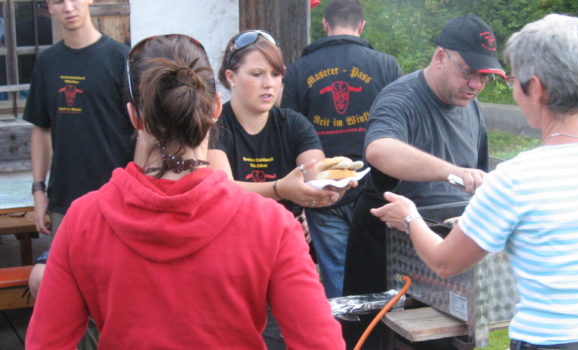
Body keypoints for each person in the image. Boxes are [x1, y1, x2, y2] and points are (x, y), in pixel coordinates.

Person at [25, 34, 345, 349]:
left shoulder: (83, 220)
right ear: (216, 108)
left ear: (133, 115)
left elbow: (45, 342)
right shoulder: (271, 225)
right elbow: (321, 343)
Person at [371, 14, 578, 350]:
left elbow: (444, 262)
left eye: (513, 81)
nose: (511, 90)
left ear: (536, 88)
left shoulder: (515, 178)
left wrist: (410, 217)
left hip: (549, 342)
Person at [341, 14, 504, 348]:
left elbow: (478, 177)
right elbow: (379, 150)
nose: (476, 84)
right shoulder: (401, 98)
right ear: (440, 57)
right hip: (388, 251)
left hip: (446, 251)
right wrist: (451, 171)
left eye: (484, 77)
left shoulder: (471, 108)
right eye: (468, 72)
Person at [24, 1, 133, 343]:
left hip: (117, 201)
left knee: (118, 292)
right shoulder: (47, 61)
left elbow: (143, 130)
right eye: (58, 0)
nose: (68, 7)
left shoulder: (121, 58)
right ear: (49, 7)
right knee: (64, 293)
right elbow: (41, 129)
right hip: (65, 202)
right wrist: (39, 191)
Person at [282, 0, 401, 298]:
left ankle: (340, 339)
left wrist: (299, 204)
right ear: (361, 26)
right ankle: (376, 340)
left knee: (338, 278)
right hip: (377, 190)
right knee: (381, 275)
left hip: (325, 192)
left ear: (325, 24)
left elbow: (288, 135)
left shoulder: (297, 71)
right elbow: (402, 129)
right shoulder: (386, 66)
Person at [208, 29, 344, 217]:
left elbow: (315, 178)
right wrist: (279, 189)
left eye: (276, 74)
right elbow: (222, 190)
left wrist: (332, 185)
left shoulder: (295, 124)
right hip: (232, 235)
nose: (269, 83)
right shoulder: (214, 124)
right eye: (257, 74)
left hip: (286, 235)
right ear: (231, 77)